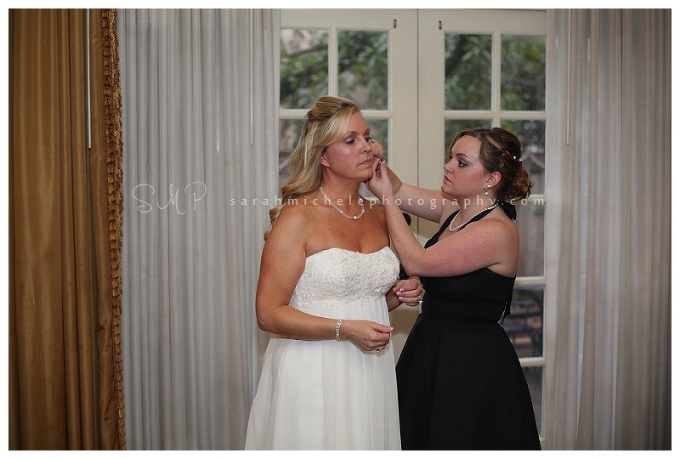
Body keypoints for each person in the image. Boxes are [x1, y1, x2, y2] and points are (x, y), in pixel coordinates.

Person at [245, 96, 422, 450]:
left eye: (368, 137)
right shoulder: (297, 217)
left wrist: (396, 296)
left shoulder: (378, 214)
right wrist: (344, 329)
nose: (367, 148)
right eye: (350, 140)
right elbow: (268, 313)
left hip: (370, 368)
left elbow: (357, 300)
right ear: (323, 156)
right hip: (312, 368)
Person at [367, 127, 541, 450]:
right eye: (450, 158)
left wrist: (387, 200)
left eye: (461, 162)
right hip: (429, 349)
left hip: (470, 363)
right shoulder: (454, 210)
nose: (448, 167)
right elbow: (399, 187)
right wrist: (375, 158)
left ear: (491, 179)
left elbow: (417, 261)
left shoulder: (496, 231)